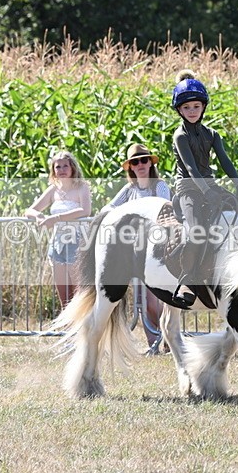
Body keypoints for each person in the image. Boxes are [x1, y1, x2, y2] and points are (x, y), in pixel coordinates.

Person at [170, 69, 238, 307]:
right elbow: (191, 168)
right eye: (187, 108)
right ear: (179, 110)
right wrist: (207, 192)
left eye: (196, 106)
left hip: (210, 186)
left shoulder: (212, 134)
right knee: (196, 232)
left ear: (203, 107)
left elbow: (225, 162)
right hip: (189, 190)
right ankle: (187, 279)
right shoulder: (180, 136)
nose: (192, 111)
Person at [102, 143, 171, 350]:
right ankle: (153, 344)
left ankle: (168, 340)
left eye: (144, 160)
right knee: (140, 301)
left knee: (153, 301)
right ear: (130, 167)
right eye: (135, 162)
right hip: (134, 252)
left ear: (150, 163)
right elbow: (109, 207)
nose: (140, 164)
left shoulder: (159, 186)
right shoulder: (129, 189)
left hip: (156, 250)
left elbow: (162, 209)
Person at [25, 151, 91, 308]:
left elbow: (85, 211)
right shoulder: (53, 190)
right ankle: (66, 329)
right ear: (53, 170)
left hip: (78, 241)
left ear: (72, 168)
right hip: (57, 244)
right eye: (58, 167)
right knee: (63, 293)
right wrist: (39, 216)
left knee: (79, 293)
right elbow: (29, 210)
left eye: (65, 166)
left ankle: (81, 329)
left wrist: (56, 218)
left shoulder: (82, 187)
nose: (61, 169)